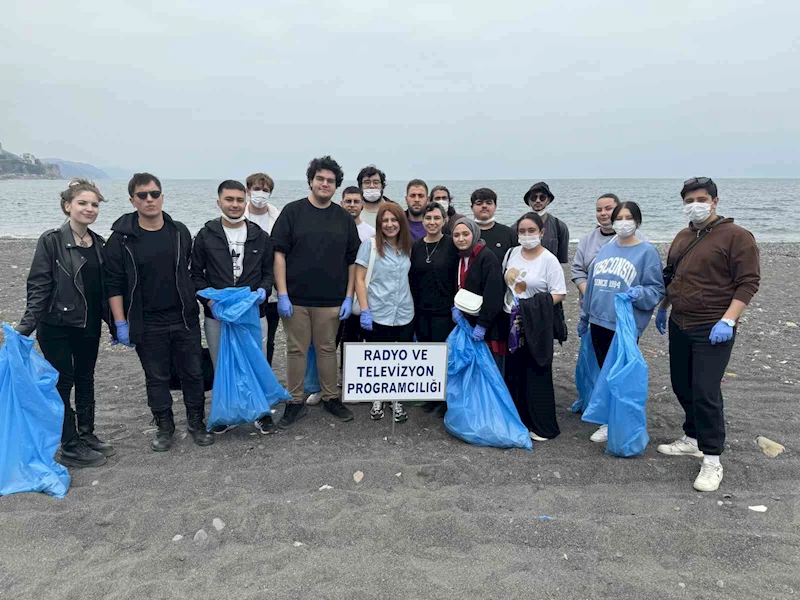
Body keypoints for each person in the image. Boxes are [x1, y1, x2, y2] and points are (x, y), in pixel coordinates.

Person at [655, 177, 760, 492]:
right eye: (689, 200)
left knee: (705, 389)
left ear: (714, 201)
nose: (695, 205)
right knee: (681, 383)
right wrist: (663, 306)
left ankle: (712, 459)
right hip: (680, 321)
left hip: (713, 326)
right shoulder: (683, 236)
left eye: (701, 199)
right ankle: (692, 436)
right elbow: (671, 276)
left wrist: (728, 320)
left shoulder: (737, 236)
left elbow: (748, 282)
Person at [105, 173, 214, 451]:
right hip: (146, 321)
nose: (150, 199)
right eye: (143, 195)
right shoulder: (121, 240)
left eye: (154, 194)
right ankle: (165, 426)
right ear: (133, 200)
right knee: (157, 377)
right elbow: (113, 284)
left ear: (162, 196)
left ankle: (196, 422)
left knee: (192, 373)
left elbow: (191, 271)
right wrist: (120, 323)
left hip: (183, 317)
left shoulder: (179, 231)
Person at [16, 179, 114, 468]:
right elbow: (38, 286)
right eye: (83, 203)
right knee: (63, 382)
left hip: (89, 324)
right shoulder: (51, 241)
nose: (89, 208)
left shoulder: (99, 243)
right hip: (57, 324)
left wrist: (118, 323)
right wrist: (25, 328)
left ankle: (87, 434)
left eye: (94, 204)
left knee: (86, 379)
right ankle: (69, 445)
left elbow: (101, 291)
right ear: (67, 205)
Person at [271, 156, 360, 428]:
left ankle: (331, 397)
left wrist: (349, 296)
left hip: (331, 300)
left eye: (330, 181)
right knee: (296, 350)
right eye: (320, 179)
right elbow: (278, 254)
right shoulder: (292, 212)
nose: (324, 184)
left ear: (336, 186)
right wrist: (282, 294)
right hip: (295, 299)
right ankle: (295, 401)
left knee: (327, 349)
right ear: (311, 180)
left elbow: (353, 261)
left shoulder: (343, 218)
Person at [190, 180, 275, 434]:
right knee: (221, 364)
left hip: (252, 314)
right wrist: (210, 302)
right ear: (219, 202)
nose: (235, 204)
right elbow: (195, 275)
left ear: (245, 201)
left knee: (255, 362)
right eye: (229, 199)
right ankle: (225, 412)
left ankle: (261, 413)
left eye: (239, 199)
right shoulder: (205, 235)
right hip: (218, 317)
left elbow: (268, 272)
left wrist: (264, 290)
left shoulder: (260, 235)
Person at [577, 201, 665, 442]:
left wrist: (639, 294)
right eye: (619, 218)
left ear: (637, 221)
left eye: (628, 217)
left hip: (624, 326)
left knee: (619, 374)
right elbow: (592, 286)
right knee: (602, 371)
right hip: (598, 322)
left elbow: (656, 289)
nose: (623, 222)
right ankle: (607, 419)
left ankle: (619, 420)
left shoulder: (647, 252)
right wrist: (585, 316)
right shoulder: (605, 248)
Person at [502, 213, 567, 441]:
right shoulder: (511, 253)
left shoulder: (549, 260)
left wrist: (532, 306)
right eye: (522, 231)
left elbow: (560, 292)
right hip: (511, 321)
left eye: (531, 231)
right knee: (515, 371)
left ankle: (542, 425)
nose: (527, 235)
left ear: (541, 232)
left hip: (536, 322)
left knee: (536, 370)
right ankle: (519, 418)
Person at [355, 203, 415, 422]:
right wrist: (364, 310)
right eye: (385, 220)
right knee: (378, 359)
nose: (390, 224)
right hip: (377, 311)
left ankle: (397, 400)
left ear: (401, 222)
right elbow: (359, 279)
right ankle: (377, 398)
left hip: (404, 312)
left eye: (394, 220)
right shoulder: (369, 246)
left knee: (401, 359)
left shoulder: (410, 247)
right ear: (380, 223)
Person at [571, 193, 648, 302]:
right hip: (594, 305)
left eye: (608, 209)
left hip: (626, 305)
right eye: (599, 210)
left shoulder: (638, 238)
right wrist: (589, 295)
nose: (603, 213)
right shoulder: (587, 240)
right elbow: (577, 270)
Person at [243, 172, 281, 366]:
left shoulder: (279, 219)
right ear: (248, 191)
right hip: (244, 291)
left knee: (269, 340)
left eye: (265, 190)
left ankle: (265, 379)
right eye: (256, 189)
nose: (260, 193)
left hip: (272, 292)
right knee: (244, 339)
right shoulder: (239, 217)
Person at [450, 218, 504, 351]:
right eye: (456, 235)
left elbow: (494, 293)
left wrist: (483, 325)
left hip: (487, 325)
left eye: (465, 234)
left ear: (474, 234)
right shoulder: (459, 257)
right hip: (466, 320)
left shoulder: (487, 258)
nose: (461, 239)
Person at [410, 203, 459, 344]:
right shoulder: (416, 246)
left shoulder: (452, 244)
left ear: (444, 220)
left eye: (437, 218)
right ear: (422, 220)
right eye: (428, 218)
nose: (432, 222)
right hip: (420, 313)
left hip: (446, 313)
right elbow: (412, 279)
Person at [523, 181, 569, 264]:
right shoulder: (517, 227)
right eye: (534, 197)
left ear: (548, 200)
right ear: (528, 201)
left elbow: (562, 261)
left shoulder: (560, 227)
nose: (538, 201)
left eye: (542, 197)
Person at [471, 187, 518, 264]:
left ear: (495, 206)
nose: (484, 206)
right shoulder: (465, 233)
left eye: (489, 203)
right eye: (479, 203)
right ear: (472, 208)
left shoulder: (509, 233)